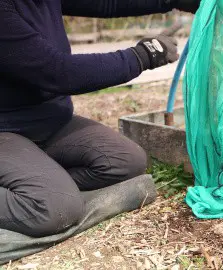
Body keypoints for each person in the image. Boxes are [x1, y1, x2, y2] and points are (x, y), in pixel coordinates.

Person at [0, 0, 200, 237]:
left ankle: (41, 184)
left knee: (128, 162)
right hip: (5, 130)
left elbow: (108, 3)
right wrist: (140, 56)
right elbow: (58, 72)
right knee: (54, 208)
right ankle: (46, 194)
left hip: (49, 122)